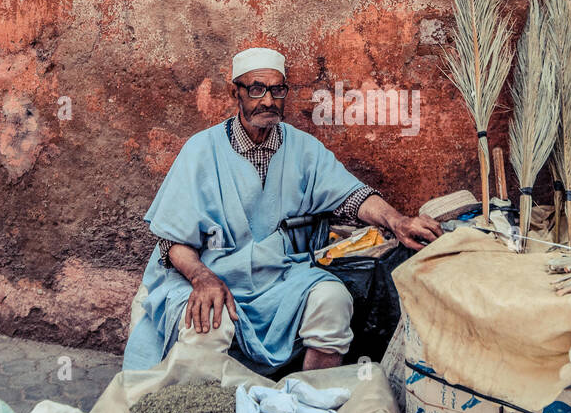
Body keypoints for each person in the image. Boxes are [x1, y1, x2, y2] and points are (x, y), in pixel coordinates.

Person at [124, 46, 442, 374]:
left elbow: (351, 196)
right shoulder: (201, 151)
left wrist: (398, 221)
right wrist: (203, 279)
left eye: (277, 90)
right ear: (237, 93)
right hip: (207, 274)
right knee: (209, 320)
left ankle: (308, 404)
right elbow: (172, 241)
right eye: (257, 89)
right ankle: (214, 412)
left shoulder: (302, 149)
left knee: (332, 302)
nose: (268, 100)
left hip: (277, 275)